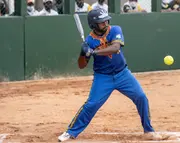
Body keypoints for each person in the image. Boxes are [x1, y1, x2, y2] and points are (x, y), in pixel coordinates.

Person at [58, 8, 169, 142]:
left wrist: (93, 52)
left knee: (141, 97)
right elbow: (82, 65)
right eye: (101, 22)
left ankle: (148, 130)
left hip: (123, 74)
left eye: (106, 20)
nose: (105, 23)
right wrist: (83, 53)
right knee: (91, 104)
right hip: (103, 77)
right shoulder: (89, 41)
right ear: (94, 25)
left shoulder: (115, 30)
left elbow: (115, 48)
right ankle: (71, 132)